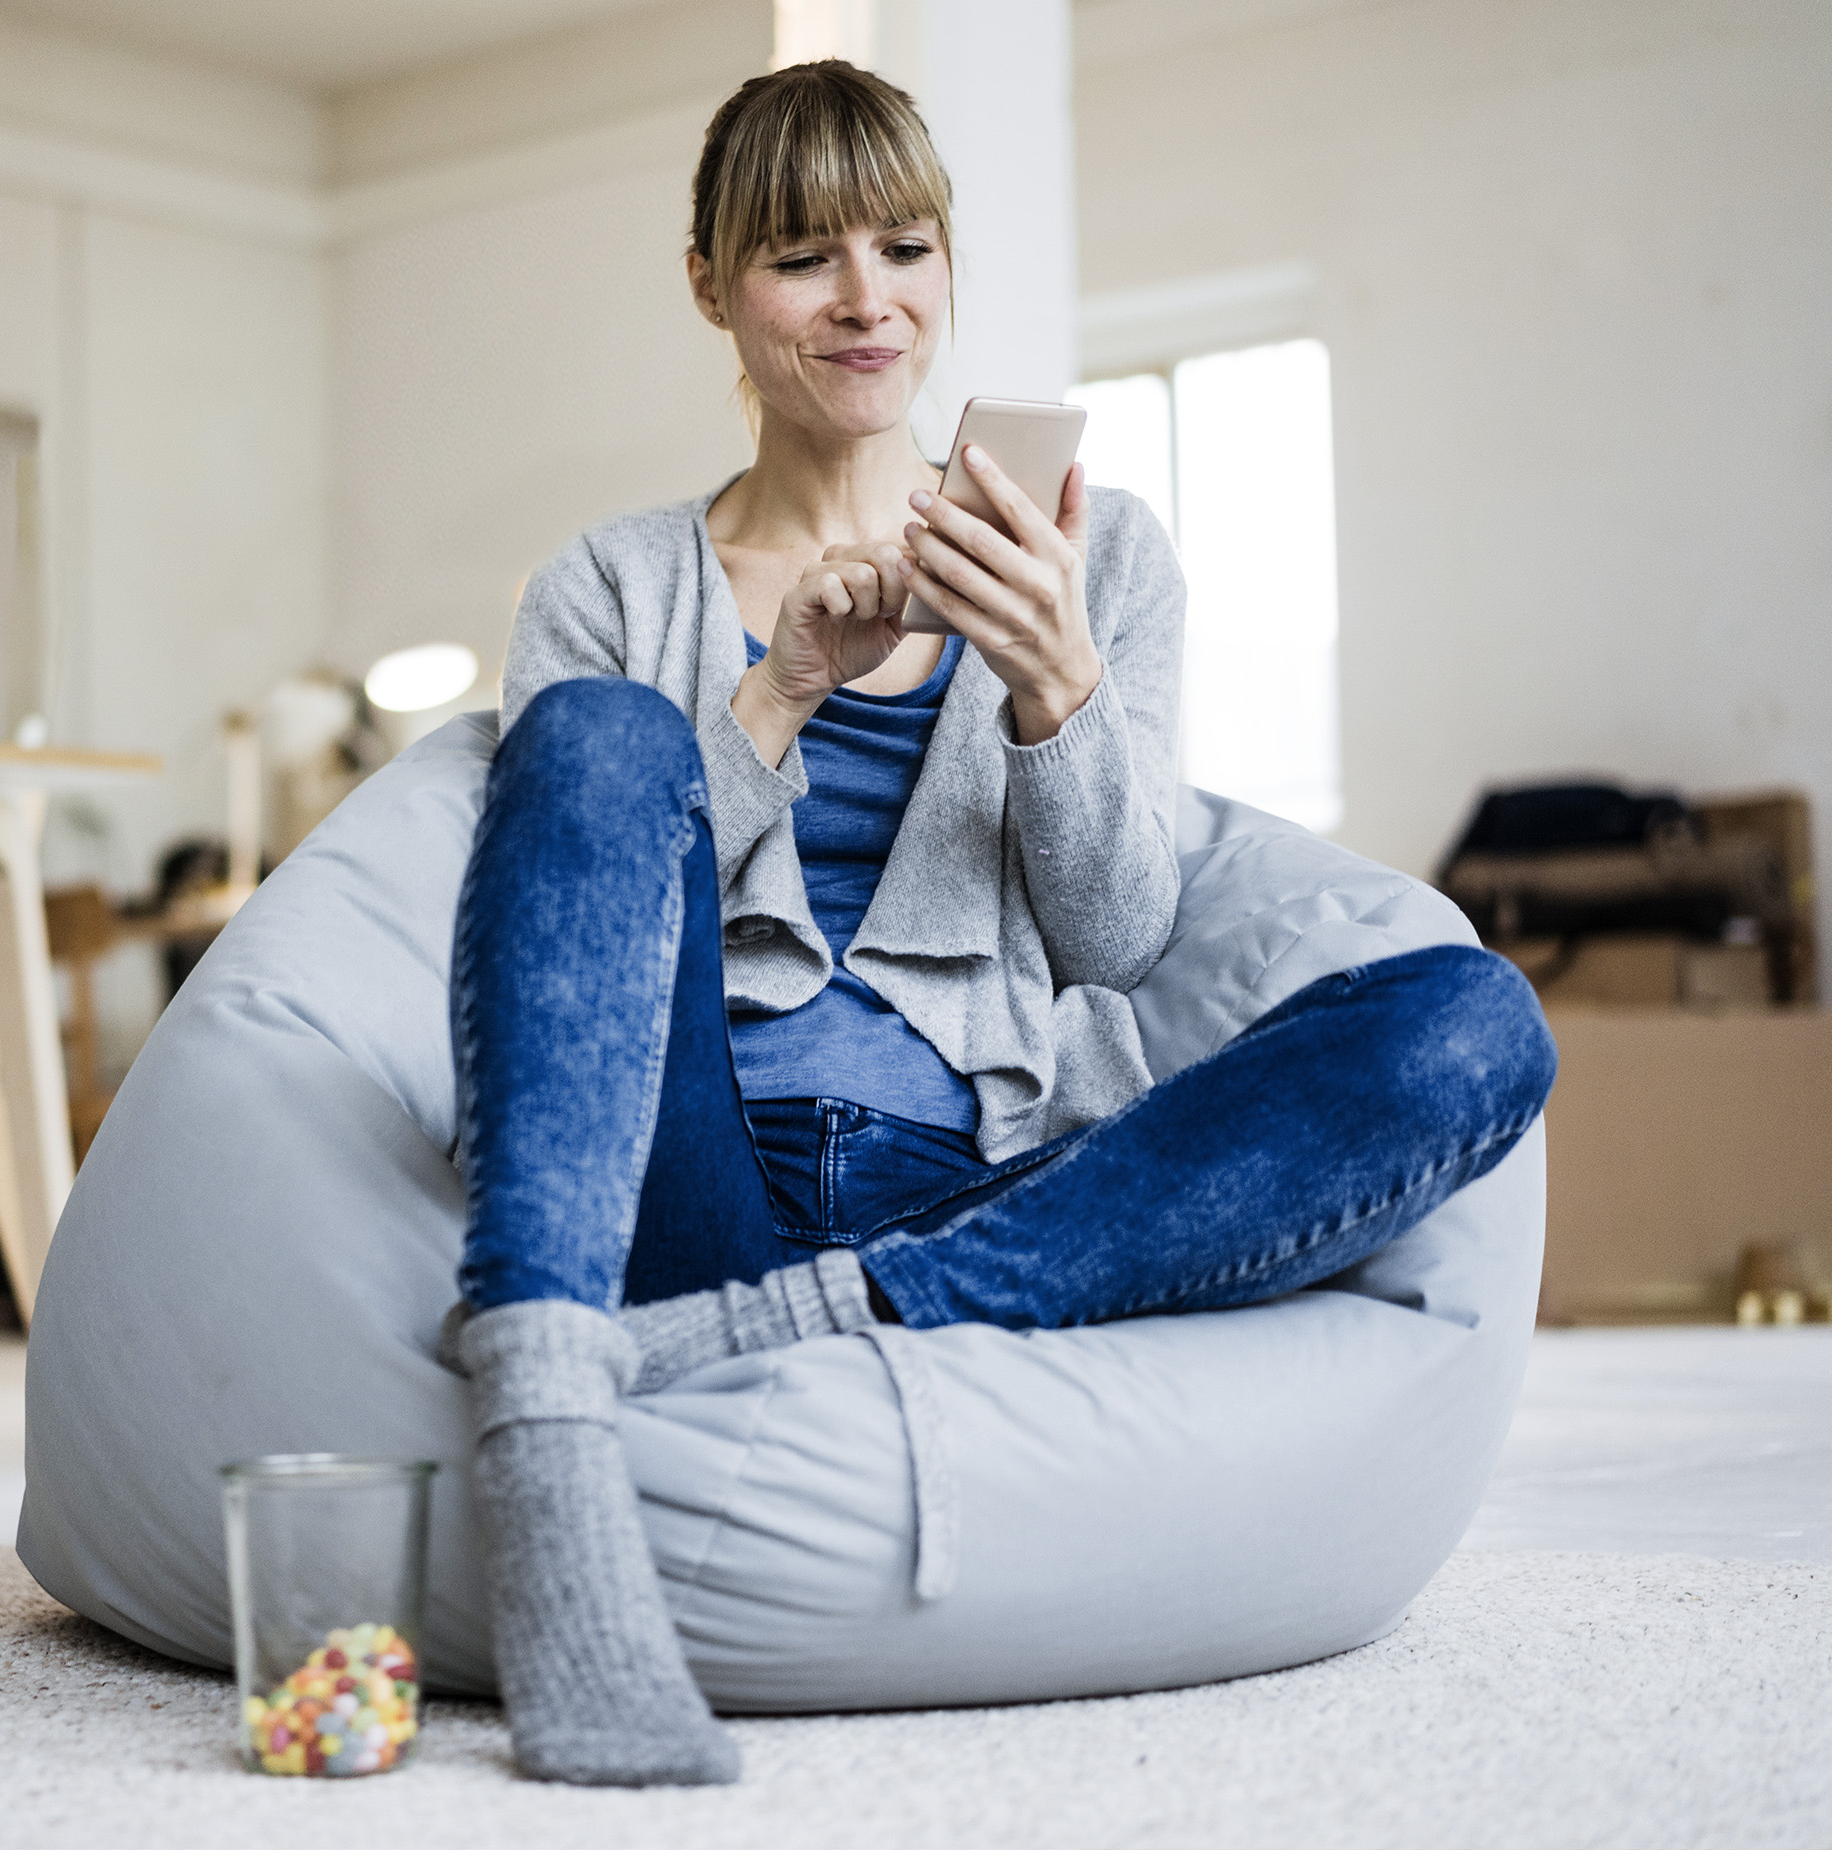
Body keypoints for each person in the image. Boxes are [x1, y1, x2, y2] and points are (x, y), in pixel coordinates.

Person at [443, 60, 1555, 1789]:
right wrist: (778, 695)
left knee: (1474, 1020)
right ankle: (539, 1416)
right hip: (685, 1166)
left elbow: (1116, 937)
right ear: (712, 288)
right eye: (803, 256)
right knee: (595, 735)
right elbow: (573, 896)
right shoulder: (611, 583)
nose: (867, 299)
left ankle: (796, 1327)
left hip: (984, 1183)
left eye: (904, 245)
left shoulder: (1098, 566)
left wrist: (1053, 679)